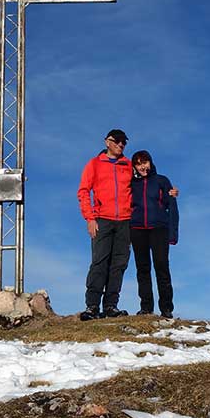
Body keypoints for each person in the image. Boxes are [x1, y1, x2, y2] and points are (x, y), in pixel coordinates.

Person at [76, 129, 134, 320]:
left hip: (125, 221)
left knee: (119, 264)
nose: (120, 145)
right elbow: (83, 191)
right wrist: (90, 218)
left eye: (123, 142)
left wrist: (166, 191)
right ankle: (92, 306)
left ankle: (110, 306)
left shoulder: (128, 165)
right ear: (107, 142)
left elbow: (145, 182)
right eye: (116, 141)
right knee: (99, 262)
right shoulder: (94, 164)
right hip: (102, 219)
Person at [130, 150, 178, 319]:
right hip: (137, 229)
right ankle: (146, 308)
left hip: (159, 229)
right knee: (142, 269)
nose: (142, 166)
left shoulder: (161, 181)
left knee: (161, 267)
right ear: (134, 166)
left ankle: (166, 308)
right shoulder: (131, 184)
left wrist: (173, 234)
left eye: (145, 162)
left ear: (150, 162)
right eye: (138, 163)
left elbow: (172, 207)